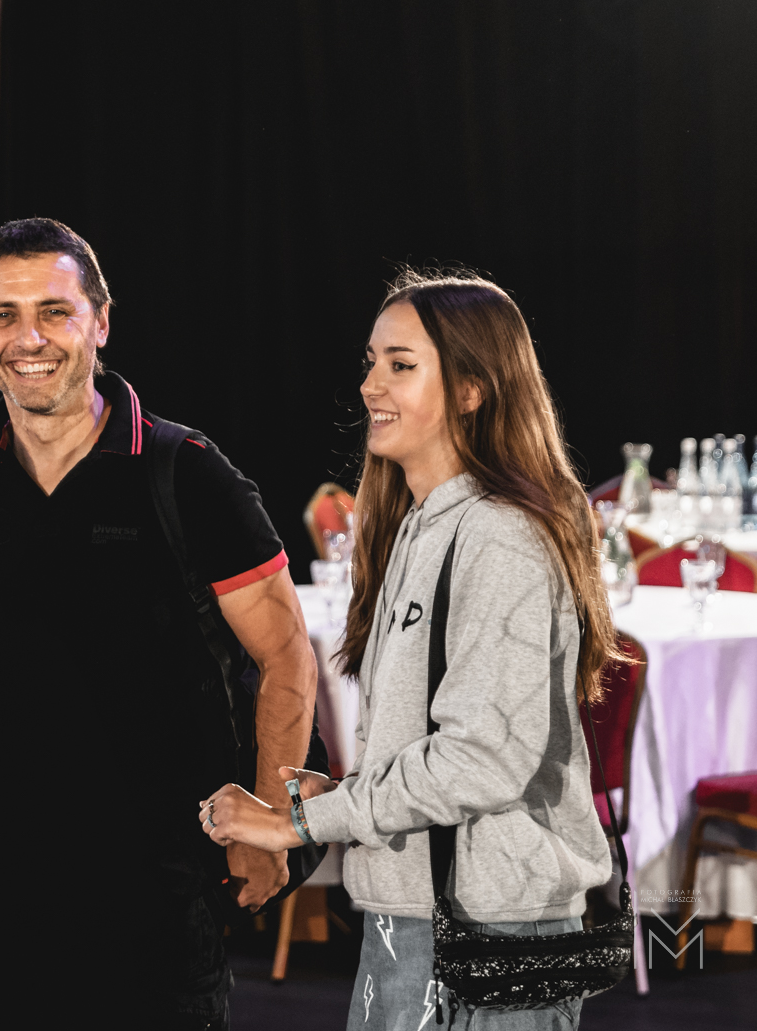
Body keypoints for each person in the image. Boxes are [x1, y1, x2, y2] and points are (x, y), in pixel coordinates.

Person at [0, 218, 321, 1029]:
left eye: (55, 311)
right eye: (3, 316)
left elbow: (288, 655)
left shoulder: (187, 474)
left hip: (146, 890)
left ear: (101, 321)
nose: (30, 339)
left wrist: (269, 823)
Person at [201, 270, 617, 1030]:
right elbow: (442, 746)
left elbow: (483, 759)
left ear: (472, 389)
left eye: (401, 364)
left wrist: (300, 824)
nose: (370, 385)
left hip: (495, 928)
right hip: (415, 917)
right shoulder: (420, 527)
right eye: (371, 362)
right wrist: (347, 794)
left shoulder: (500, 536)